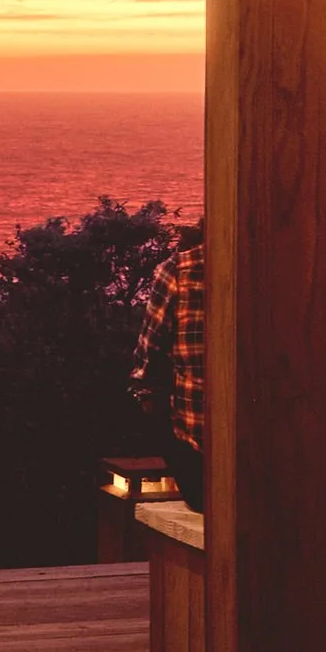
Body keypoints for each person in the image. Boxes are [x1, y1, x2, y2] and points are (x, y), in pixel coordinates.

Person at [130, 218, 206, 511]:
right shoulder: (275, 264)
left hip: (197, 443)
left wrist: (146, 395)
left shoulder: (179, 270)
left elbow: (148, 356)